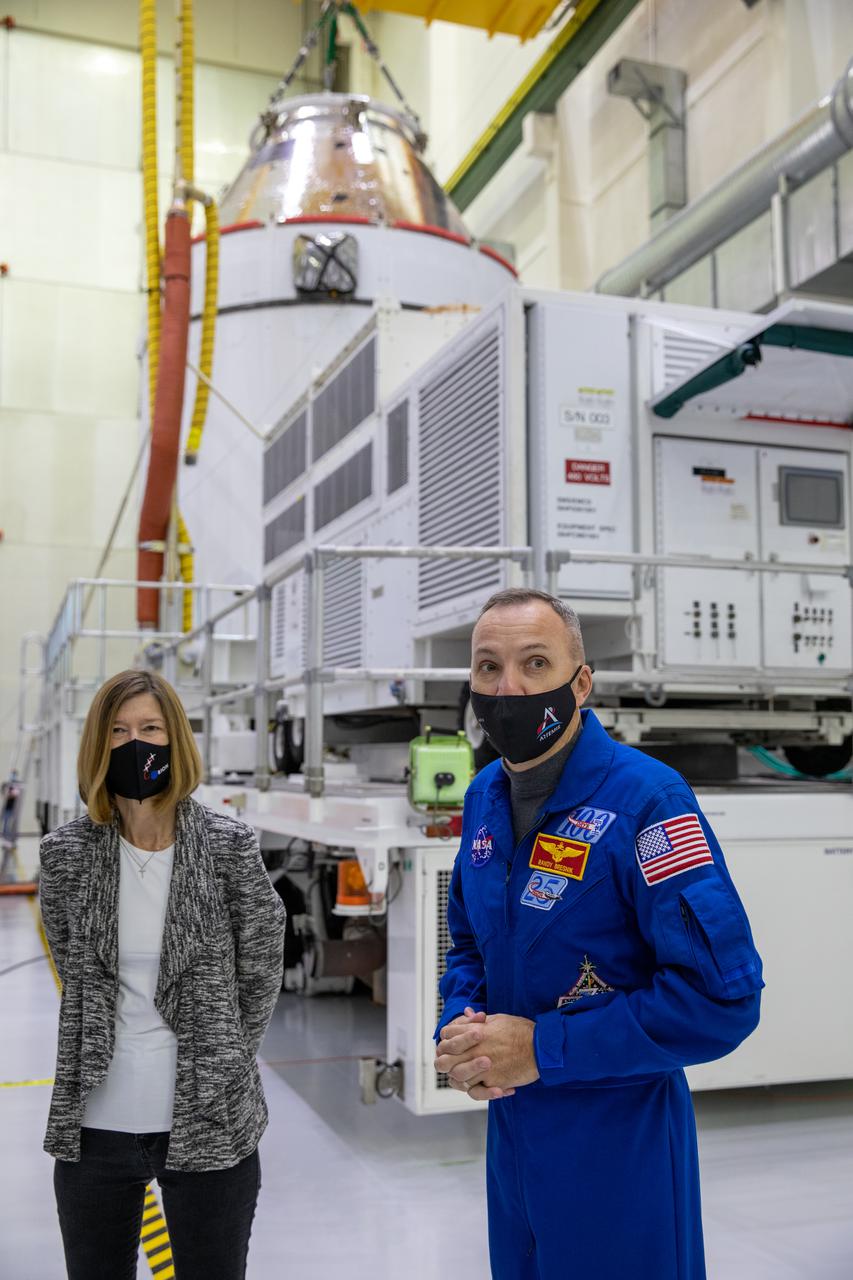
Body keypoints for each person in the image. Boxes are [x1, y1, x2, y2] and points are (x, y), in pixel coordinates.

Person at [434, 589, 763, 1280]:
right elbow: (469, 943)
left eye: (534, 663)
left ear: (580, 683)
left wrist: (542, 1047)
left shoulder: (647, 801)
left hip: (619, 1137)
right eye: (487, 668)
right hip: (514, 1130)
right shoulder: (483, 797)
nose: (508, 688)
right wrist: (460, 1025)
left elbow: (718, 1002)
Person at [39, 669, 286, 1280]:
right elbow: (72, 962)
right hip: (95, 1126)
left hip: (209, 1119)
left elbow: (260, 971)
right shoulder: (65, 853)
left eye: (151, 729)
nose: (135, 745)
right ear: (98, 747)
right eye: (118, 732)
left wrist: (222, 1055)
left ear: (176, 741)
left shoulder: (229, 848)